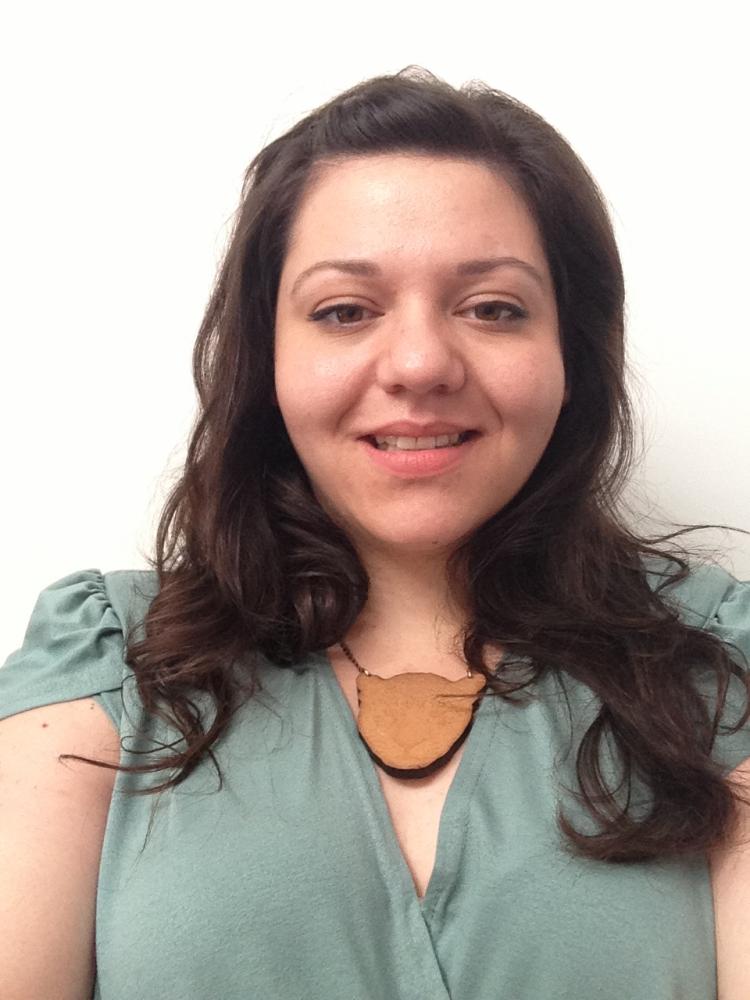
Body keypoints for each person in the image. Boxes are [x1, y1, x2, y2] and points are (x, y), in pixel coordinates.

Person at [1, 65, 749, 1000]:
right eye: (345, 311)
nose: (421, 363)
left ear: (571, 353)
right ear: (267, 357)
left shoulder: (717, 665)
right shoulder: (106, 668)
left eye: (493, 308)